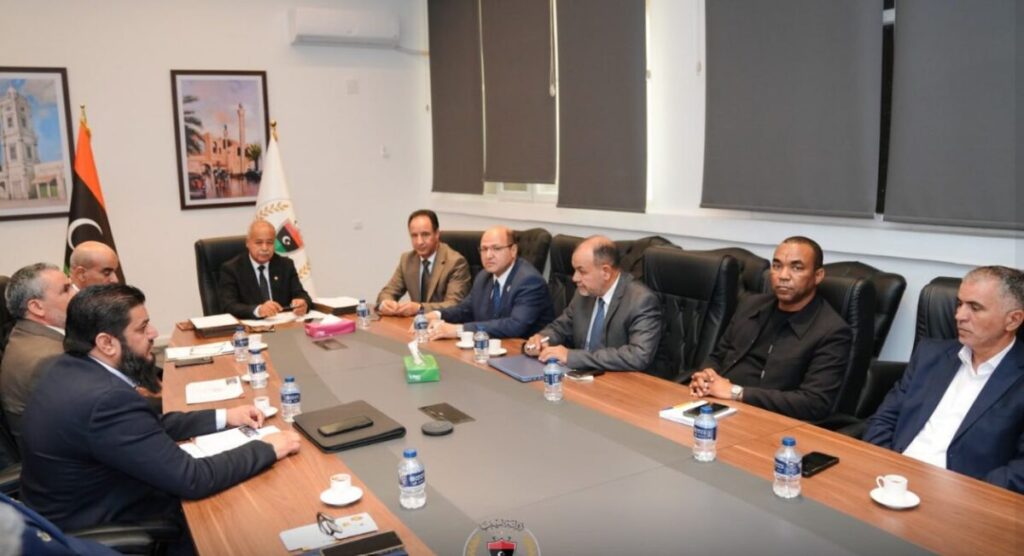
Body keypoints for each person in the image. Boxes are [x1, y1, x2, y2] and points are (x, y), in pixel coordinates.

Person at [19, 284, 302, 535]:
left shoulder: (70, 368)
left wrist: (225, 416)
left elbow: (147, 425)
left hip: (82, 506)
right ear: (106, 343)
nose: (154, 334)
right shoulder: (104, 399)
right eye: (142, 328)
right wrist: (268, 448)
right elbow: (193, 479)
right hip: (103, 527)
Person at [864, 266, 1024, 493]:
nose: (959, 316)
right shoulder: (930, 355)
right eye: (959, 304)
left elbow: (1019, 470)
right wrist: (887, 469)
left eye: (975, 308)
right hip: (889, 480)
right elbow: (884, 419)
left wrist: (964, 494)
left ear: (1013, 320)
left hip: (961, 496)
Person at [689, 237, 852, 421]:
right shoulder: (750, 305)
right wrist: (706, 377)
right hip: (716, 404)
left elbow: (814, 403)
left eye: (796, 268)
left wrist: (736, 392)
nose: (783, 276)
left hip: (767, 419)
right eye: (777, 266)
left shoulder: (832, 331)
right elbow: (718, 356)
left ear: (818, 275)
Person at [524, 236, 663, 375]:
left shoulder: (641, 300)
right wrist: (541, 339)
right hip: (578, 376)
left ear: (606, 272)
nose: (575, 278)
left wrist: (572, 357)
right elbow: (560, 328)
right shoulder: (584, 293)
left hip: (616, 380)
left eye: (582, 271)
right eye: (575, 270)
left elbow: (638, 355)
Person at [427, 226, 553, 339]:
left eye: (496, 248)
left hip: (524, 352)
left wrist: (459, 330)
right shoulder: (484, 276)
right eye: (484, 249)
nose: (488, 255)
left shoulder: (529, 281)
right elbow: (465, 309)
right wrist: (437, 315)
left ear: (513, 250)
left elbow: (514, 326)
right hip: (491, 348)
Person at [0, 263, 73, 437]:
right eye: (66, 290)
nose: (77, 294)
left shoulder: (22, 335)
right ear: (37, 307)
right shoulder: (53, 358)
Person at [376, 209, 471, 316]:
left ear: (437, 234)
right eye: (414, 235)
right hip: (415, 324)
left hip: (442, 323)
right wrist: (386, 303)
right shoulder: (407, 260)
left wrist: (419, 308)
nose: (419, 242)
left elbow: (454, 305)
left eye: (425, 234)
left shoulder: (456, 262)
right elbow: (387, 292)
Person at [217, 219, 312, 319]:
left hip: (282, 324)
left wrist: (303, 303)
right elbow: (228, 306)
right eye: (259, 243)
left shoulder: (285, 265)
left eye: (270, 243)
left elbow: (302, 295)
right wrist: (258, 310)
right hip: (249, 326)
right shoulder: (232, 269)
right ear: (248, 243)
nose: (265, 248)